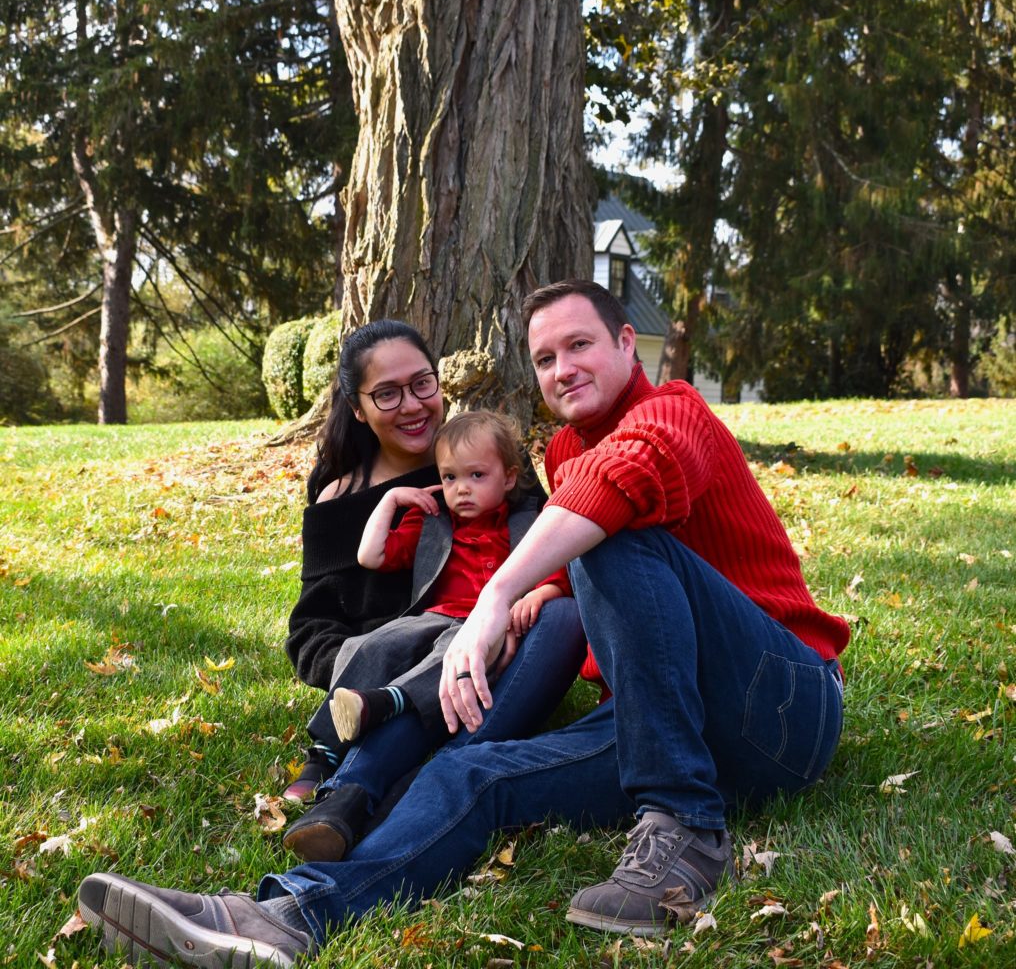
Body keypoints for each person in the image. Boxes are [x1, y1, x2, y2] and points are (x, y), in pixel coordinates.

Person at [77, 280, 848, 964]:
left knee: (613, 531)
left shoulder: (674, 410)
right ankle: (288, 912)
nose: (562, 369)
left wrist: (494, 602)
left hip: (784, 706)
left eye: (579, 345)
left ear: (625, 343)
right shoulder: (570, 451)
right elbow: (611, 620)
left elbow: (626, 481)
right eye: (544, 359)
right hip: (664, 720)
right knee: (468, 771)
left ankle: (684, 825)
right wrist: (530, 608)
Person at [280, 322, 579, 804]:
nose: (414, 404)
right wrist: (375, 658)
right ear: (357, 408)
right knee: (406, 691)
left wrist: (509, 627)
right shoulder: (341, 500)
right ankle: (356, 767)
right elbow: (312, 632)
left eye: (422, 383)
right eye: (387, 394)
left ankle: (389, 783)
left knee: (559, 619)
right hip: (394, 667)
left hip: (497, 657)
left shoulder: (490, 459)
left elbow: (542, 554)